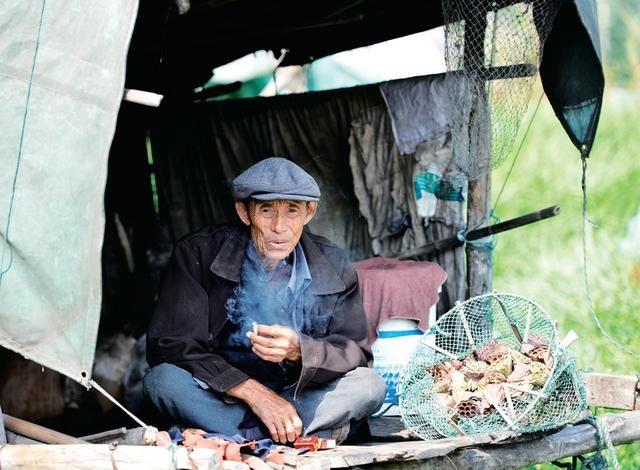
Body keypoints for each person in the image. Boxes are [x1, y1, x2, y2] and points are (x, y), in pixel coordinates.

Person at [143, 157, 386, 444]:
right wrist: (253, 393)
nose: (279, 226)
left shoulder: (332, 263)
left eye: (292, 211)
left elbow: (354, 353)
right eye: (266, 210)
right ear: (244, 213)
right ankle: (298, 435)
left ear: (309, 213)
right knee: (162, 381)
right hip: (226, 398)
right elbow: (171, 345)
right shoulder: (199, 252)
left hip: (299, 397)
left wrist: (300, 350)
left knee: (370, 386)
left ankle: (245, 437)